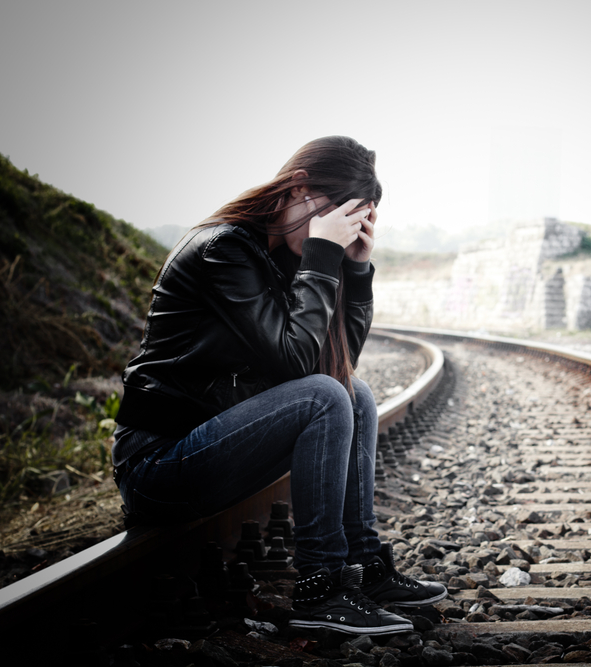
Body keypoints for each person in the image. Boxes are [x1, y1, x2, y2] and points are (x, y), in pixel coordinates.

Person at [111, 136, 446, 635]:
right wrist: (321, 255)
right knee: (327, 396)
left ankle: (365, 568)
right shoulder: (224, 249)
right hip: (157, 463)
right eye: (334, 212)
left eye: (354, 219)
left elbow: (337, 365)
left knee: (353, 393)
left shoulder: (284, 258)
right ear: (298, 188)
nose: (340, 228)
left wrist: (354, 268)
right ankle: (322, 589)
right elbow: (297, 366)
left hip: (210, 444)